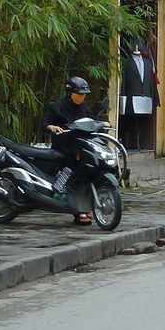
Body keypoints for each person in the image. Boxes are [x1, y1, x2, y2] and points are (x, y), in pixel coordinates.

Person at [43, 76, 98, 224]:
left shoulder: (84, 107)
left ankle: (88, 205)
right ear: (70, 93)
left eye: (84, 94)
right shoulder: (58, 106)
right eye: (79, 94)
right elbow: (46, 123)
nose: (82, 97)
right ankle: (77, 210)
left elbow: (91, 119)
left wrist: (101, 123)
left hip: (81, 146)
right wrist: (52, 127)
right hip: (64, 148)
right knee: (72, 175)